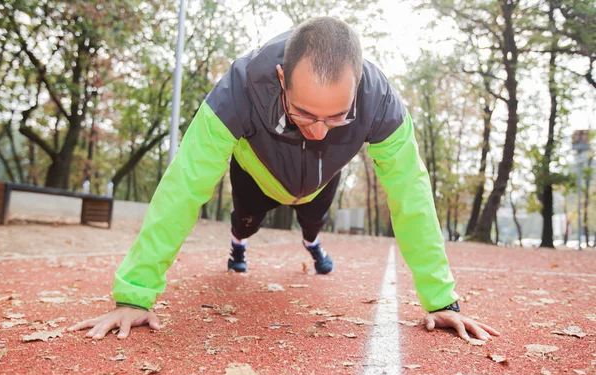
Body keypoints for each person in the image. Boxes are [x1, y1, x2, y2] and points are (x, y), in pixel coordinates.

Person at [68, 17, 499, 342]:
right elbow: (183, 186)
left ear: (359, 86)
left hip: (319, 178)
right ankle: (239, 241)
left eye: (336, 116)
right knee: (244, 221)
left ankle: (311, 241)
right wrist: (135, 295)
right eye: (305, 113)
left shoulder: (380, 102)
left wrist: (442, 299)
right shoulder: (238, 90)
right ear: (281, 79)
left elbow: (412, 195)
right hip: (257, 174)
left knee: (313, 222)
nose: (317, 129)